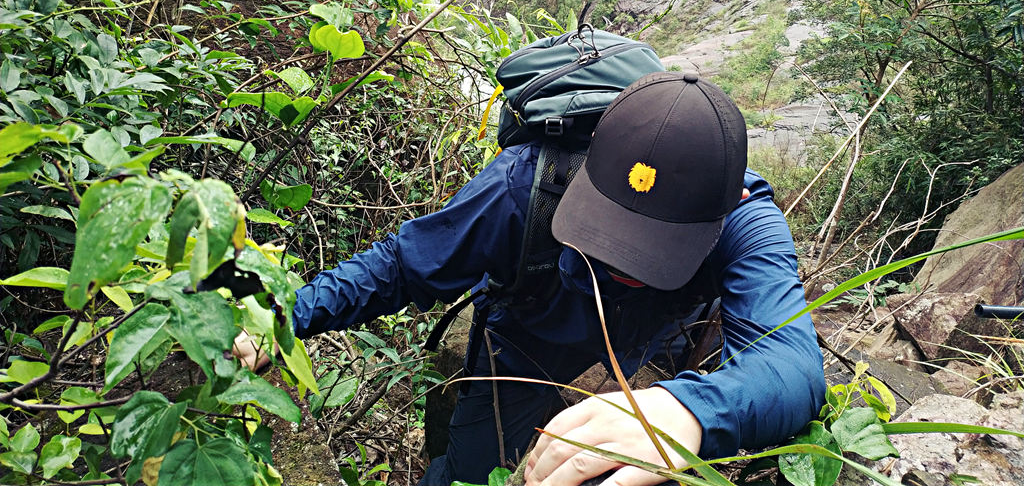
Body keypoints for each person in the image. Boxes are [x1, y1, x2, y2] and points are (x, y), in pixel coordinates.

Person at [237, 71, 826, 486]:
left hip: (640, 346)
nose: (622, 267)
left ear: (713, 223)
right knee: (469, 468)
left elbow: (793, 366)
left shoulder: (745, 221)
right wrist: (281, 316)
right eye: (608, 233)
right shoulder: (524, 187)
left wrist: (689, 411)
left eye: (654, 254)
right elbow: (396, 268)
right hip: (522, 345)